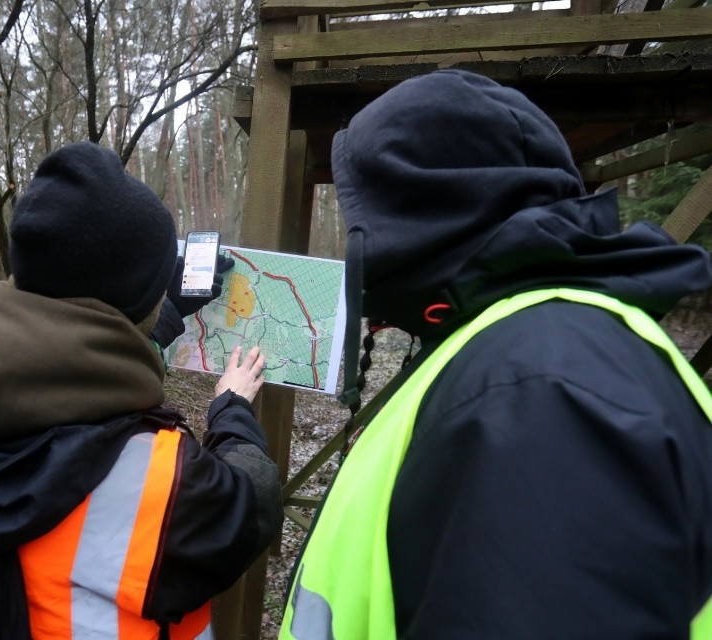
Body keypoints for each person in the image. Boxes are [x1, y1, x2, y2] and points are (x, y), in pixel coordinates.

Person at [280, 70, 712, 639]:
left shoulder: (541, 387)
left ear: (427, 206)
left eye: (365, 209)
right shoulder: (509, 347)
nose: (358, 232)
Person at [0, 141, 283, 639]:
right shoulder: (161, 480)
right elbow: (251, 504)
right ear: (132, 302)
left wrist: (159, 311)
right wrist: (231, 407)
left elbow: (67, 359)